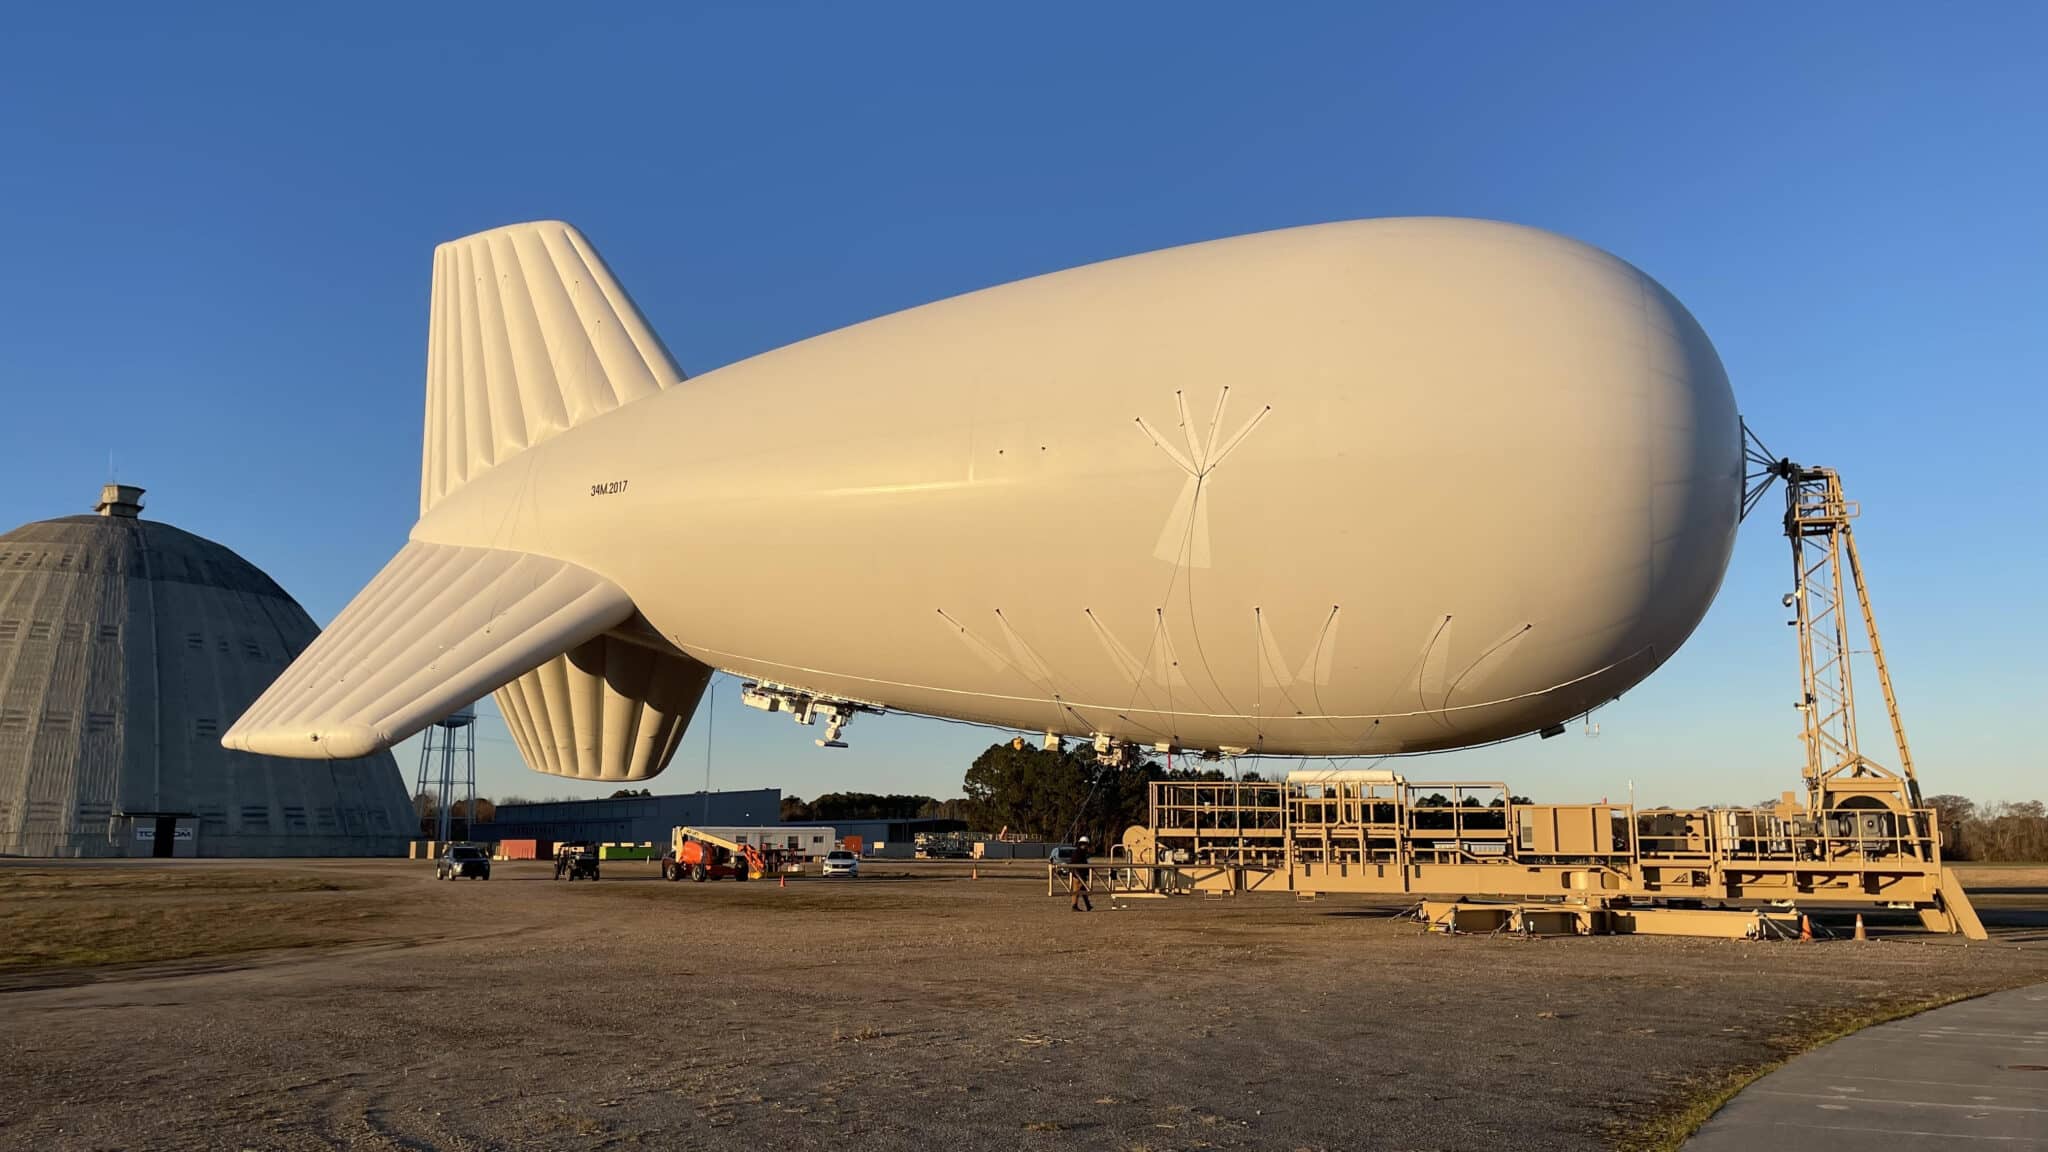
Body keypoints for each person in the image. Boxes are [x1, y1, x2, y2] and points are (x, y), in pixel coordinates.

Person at [1069, 835, 1093, 912]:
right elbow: (1076, 864)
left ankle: (1088, 905)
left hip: (1080, 874)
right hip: (1078, 875)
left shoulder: (1080, 852)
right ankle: (1074, 906)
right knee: (1077, 891)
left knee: (1083, 890)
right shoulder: (1079, 853)